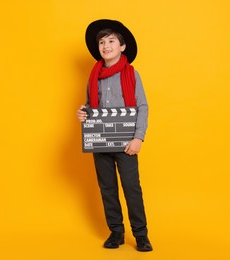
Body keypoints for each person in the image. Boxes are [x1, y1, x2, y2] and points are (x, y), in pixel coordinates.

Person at [76, 19, 153, 252]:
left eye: (111, 41)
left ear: (122, 47)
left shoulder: (132, 75)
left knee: (132, 188)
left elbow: (142, 106)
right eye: (102, 42)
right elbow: (92, 106)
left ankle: (141, 234)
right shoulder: (93, 77)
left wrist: (138, 137)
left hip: (126, 142)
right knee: (107, 188)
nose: (106, 45)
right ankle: (116, 232)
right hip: (100, 140)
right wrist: (84, 113)